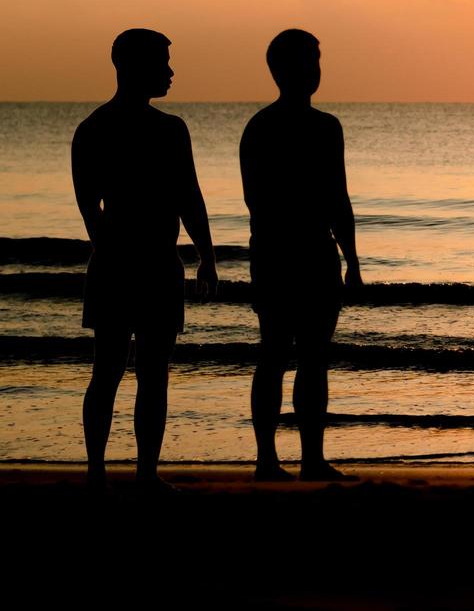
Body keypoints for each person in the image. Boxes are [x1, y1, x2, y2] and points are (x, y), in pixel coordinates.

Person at [72, 28, 217, 491]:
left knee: (137, 371)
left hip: (141, 263)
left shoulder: (113, 128)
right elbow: (91, 207)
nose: (171, 72)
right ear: (133, 66)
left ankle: (136, 472)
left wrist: (206, 255)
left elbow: (187, 198)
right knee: (120, 371)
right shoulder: (110, 129)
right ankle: (111, 471)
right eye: (162, 62)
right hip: (139, 265)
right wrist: (203, 256)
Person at [241, 29, 361, 481]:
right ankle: (269, 459)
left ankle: (309, 457)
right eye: (308, 62)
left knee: (309, 356)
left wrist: (351, 259)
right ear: (283, 70)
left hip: (304, 251)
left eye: (317, 61)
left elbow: (339, 198)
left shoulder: (319, 127)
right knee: (277, 353)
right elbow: (262, 199)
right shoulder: (268, 128)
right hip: (286, 252)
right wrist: (347, 258)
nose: (314, 71)